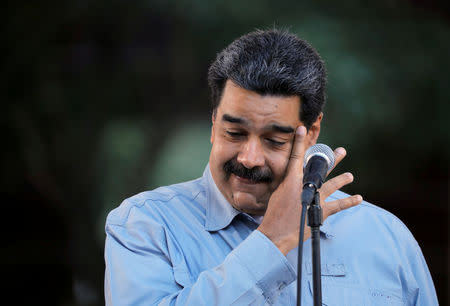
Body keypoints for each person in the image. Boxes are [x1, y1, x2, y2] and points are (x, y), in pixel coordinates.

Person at [104, 29, 438, 305]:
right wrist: (272, 241)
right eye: (234, 133)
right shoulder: (144, 227)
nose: (249, 158)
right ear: (213, 124)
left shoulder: (385, 237)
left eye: (274, 140)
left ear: (312, 133)